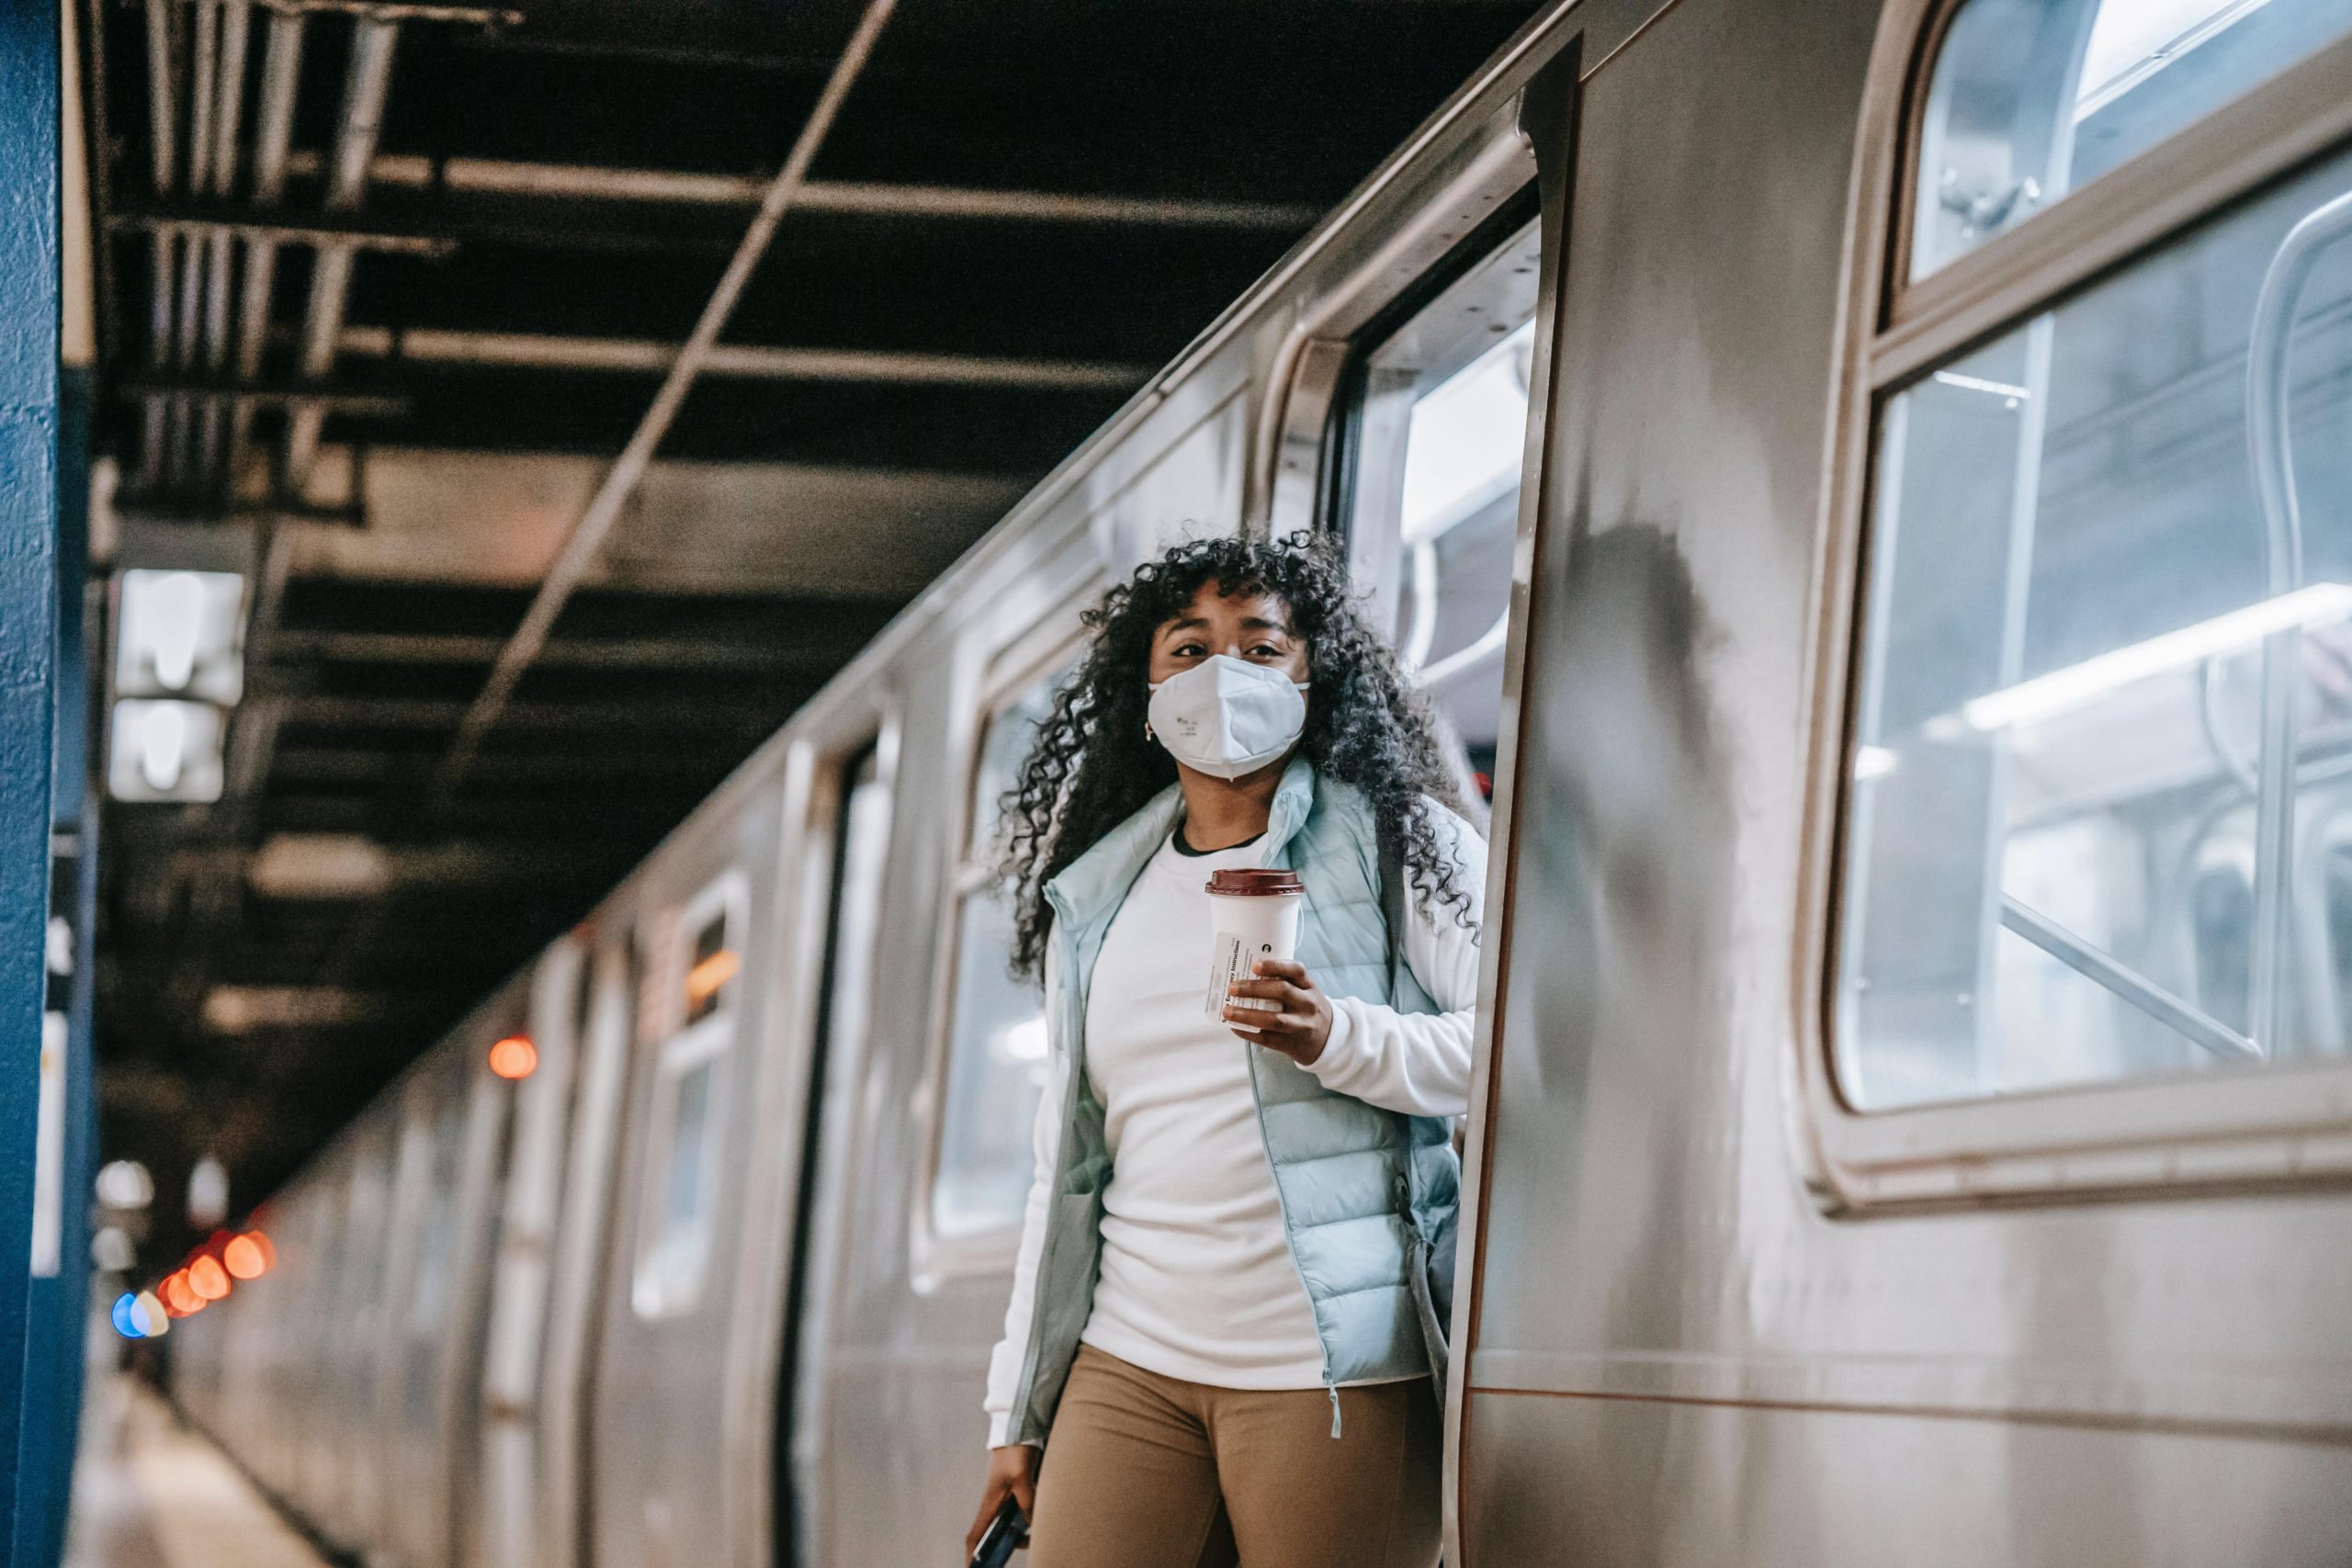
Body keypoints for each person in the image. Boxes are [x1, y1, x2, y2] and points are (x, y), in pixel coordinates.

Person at [963, 533, 1487, 1568]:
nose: (1223, 677)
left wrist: (1339, 1038)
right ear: (1145, 687)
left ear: (1310, 673)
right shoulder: (1100, 892)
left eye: (1260, 646)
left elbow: (1522, 1045)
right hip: (1130, 1359)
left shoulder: (1399, 840)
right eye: (1189, 649)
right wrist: (1013, 1410)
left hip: (1334, 1366)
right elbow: (1063, 1172)